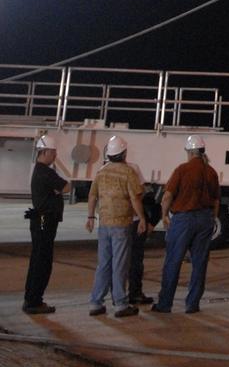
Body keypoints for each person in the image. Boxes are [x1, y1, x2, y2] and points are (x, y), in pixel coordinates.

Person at [151, 134, 220, 315]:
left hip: (183, 220)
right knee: (199, 263)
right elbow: (216, 200)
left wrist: (164, 215)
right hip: (205, 219)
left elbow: (167, 196)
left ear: (189, 152)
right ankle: (192, 304)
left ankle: (165, 304)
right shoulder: (211, 172)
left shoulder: (182, 170)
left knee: (173, 261)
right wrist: (211, 218)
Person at [86, 135, 147, 317]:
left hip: (104, 224)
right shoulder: (128, 172)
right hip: (121, 224)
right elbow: (135, 198)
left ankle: (96, 303)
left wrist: (90, 216)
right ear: (124, 153)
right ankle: (120, 304)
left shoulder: (101, 172)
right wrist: (142, 218)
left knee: (103, 264)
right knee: (120, 264)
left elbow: (92, 195)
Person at [23, 135, 68, 315]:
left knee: (37, 259)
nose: (55, 156)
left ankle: (31, 298)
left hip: (39, 219)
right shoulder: (46, 172)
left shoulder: (39, 170)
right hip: (44, 220)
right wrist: (57, 191)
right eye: (53, 152)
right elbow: (66, 187)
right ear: (46, 152)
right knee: (42, 261)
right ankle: (34, 301)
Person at [129, 183, 162, 305]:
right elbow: (149, 202)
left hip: (116, 223)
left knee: (117, 262)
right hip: (135, 223)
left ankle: (117, 296)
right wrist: (147, 221)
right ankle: (135, 293)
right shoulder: (133, 177)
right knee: (135, 261)